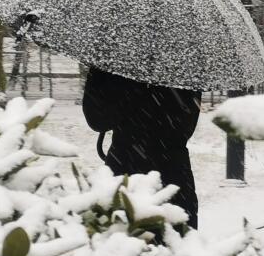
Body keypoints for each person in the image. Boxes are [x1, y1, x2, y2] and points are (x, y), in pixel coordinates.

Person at [81, 66, 202, 228]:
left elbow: (97, 118)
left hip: (125, 170)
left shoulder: (117, 56)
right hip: (173, 177)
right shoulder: (185, 59)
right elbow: (185, 126)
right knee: (176, 248)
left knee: (119, 246)